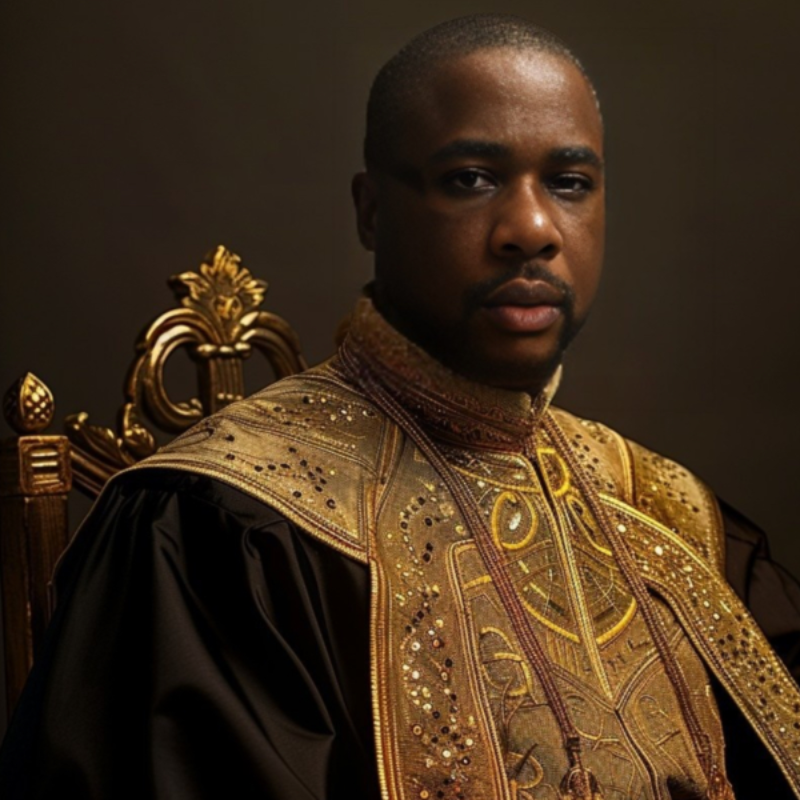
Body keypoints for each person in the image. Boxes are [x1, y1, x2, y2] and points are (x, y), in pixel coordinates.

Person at [2, 13, 800, 800]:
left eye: (569, 183)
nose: (531, 228)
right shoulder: (221, 523)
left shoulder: (663, 510)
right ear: (371, 212)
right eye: (471, 179)